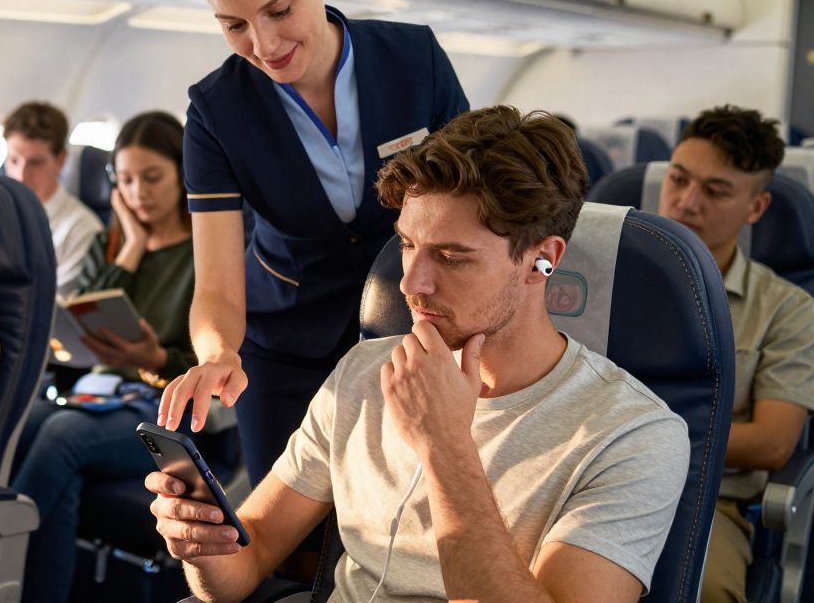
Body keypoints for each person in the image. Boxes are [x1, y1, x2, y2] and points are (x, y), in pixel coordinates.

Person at [148, 106, 690, 602]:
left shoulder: (633, 435)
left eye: (451, 256)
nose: (411, 282)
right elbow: (250, 558)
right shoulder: (363, 371)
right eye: (407, 244)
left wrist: (445, 443)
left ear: (540, 261)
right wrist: (201, 543)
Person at [157, 0, 470, 490]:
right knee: (292, 547)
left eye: (279, 11)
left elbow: (472, 209)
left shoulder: (414, 61)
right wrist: (218, 353)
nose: (264, 45)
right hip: (282, 352)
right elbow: (218, 283)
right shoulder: (216, 112)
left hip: (415, 332)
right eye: (234, 26)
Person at [13, 111, 197, 602]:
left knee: (62, 435)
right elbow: (82, 321)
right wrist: (132, 247)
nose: (139, 192)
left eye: (153, 177)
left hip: (163, 409)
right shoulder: (109, 242)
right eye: (127, 179)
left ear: (182, 173)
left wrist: (155, 357)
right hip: (98, 396)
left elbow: (207, 366)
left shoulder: (206, 253)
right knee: (23, 421)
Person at [656, 105, 814, 603]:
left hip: (701, 498)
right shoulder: (595, 277)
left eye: (716, 190)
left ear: (756, 208)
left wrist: (635, 437)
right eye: (678, 180)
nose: (686, 202)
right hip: (577, 478)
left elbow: (771, 444)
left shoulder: (787, 309)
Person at [2, 101, 104, 295]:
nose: (21, 175)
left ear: (61, 160)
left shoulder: (81, 228)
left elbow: (55, 308)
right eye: (13, 160)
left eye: (35, 163)